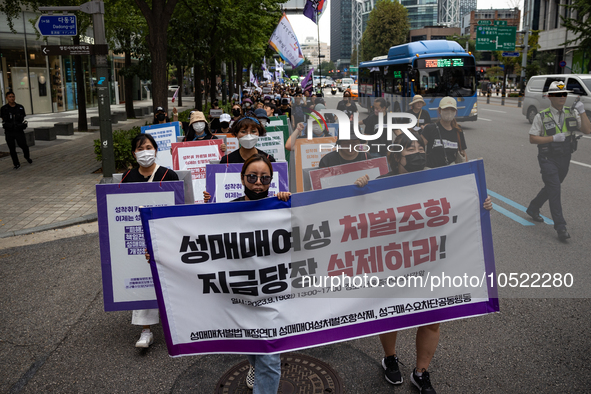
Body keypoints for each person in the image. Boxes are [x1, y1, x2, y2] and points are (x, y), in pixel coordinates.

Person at [355, 132, 492, 394]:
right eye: (410, 149)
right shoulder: (380, 183)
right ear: (396, 155)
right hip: (393, 262)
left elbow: (460, 206)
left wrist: (482, 203)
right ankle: (390, 358)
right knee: (392, 314)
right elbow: (357, 217)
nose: (417, 152)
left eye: (420, 147)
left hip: (431, 261)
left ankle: (420, 372)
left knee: (432, 319)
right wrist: (359, 188)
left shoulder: (439, 179)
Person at [121, 133, 179, 348]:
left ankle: (177, 322)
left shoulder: (168, 175)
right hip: (139, 237)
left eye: (148, 147)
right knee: (142, 276)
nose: (144, 151)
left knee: (171, 278)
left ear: (155, 149)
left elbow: (179, 207)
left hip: (166, 235)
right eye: (139, 148)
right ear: (134, 153)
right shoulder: (127, 177)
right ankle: (146, 331)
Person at [526, 81, 591, 241]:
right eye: (558, 94)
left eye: (564, 94)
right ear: (549, 97)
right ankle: (560, 227)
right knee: (555, 189)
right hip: (548, 158)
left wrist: (582, 112)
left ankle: (533, 207)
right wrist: (552, 138)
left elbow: (587, 130)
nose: (562, 97)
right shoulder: (542, 116)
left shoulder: (571, 112)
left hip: (565, 157)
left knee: (552, 187)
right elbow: (532, 139)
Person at [421, 97, 467, 168]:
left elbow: (463, 152)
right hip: (432, 171)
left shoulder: (458, 130)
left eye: (452, 109)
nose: (449, 111)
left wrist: (467, 170)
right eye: (446, 109)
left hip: (450, 172)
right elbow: (419, 148)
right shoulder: (430, 129)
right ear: (439, 110)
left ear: (455, 112)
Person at [1, 90, 31, 169]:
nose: (12, 98)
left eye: (13, 96)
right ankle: (16, 164)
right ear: (7, 98)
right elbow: (3, 118)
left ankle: (27, 157)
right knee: (12, 148)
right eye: (10, 97)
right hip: (9, 131)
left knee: (24, 146)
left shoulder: (20, 107)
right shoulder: (4, 108)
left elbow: (22, 117)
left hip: (19, 130)